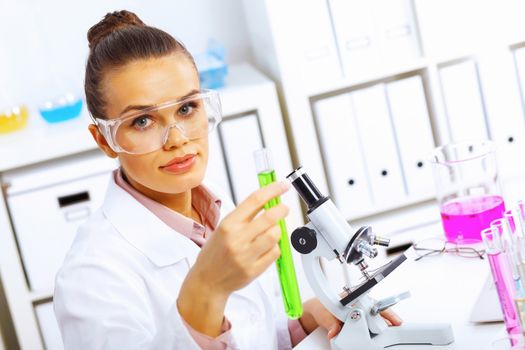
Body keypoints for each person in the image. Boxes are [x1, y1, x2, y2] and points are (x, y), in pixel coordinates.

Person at [53, 10, 402, 349]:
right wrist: (205, 289)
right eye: (142, 121)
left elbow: (254, 334)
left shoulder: (214, 206)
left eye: (187, 108)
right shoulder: (90, 278)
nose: (176, 139)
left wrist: (306, 321)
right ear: (104, 141)